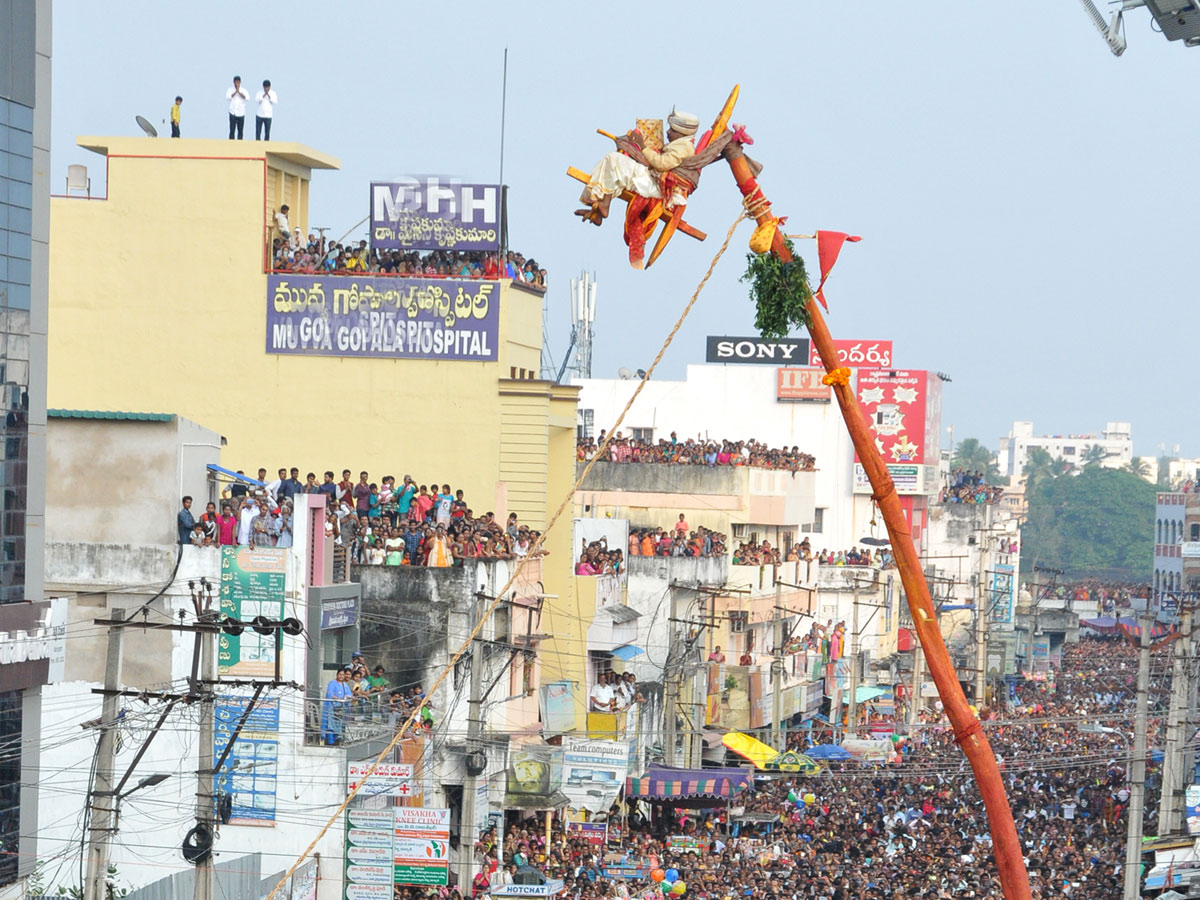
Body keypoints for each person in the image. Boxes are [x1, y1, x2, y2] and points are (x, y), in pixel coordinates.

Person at [576, 106, 699, 223]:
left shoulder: (684, 146)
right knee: (612, 161)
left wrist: (642, 146)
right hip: (654, 179)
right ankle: (598, 208)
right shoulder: (682, 144)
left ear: (682, 133)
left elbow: (662, 164)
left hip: (659, 186)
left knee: (613, 161)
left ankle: (603, 204)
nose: (668, 132)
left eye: (672, 130)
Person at [321, 667, 352, 745]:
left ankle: (337, 740)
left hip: (341, 708)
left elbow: (349, 695)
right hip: (332, 707)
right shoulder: (332, 683)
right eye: (340, 674)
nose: (341, 676)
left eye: (343, 675)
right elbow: (330, 694)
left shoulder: (345, 685)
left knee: (339, 724)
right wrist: (339, 698)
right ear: (337, 675)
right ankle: (330, 741)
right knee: (331, 724)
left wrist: (349, 698)